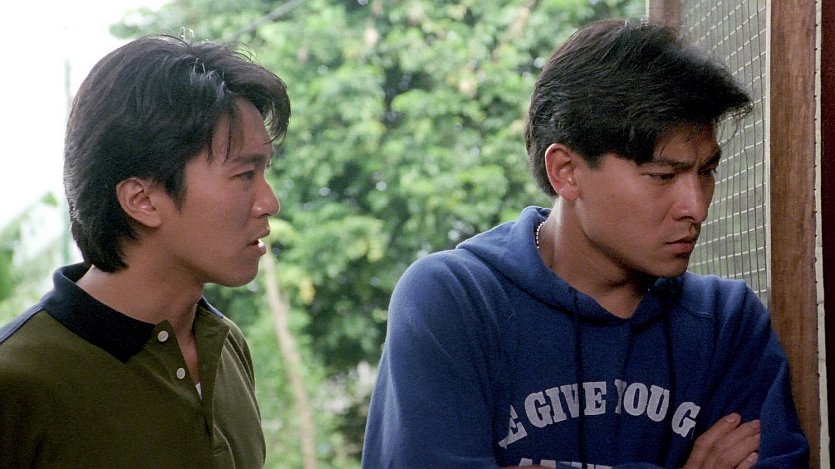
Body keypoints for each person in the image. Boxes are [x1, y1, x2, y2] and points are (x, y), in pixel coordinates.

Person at [362, 19, 809, 468]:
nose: (695, 206)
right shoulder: (455, 301)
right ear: (567, 172)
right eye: (662, 175)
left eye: (706, 172)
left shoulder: (727, 322)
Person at [0, 34, 290, 468]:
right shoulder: (18, 382)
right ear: (143, 200)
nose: (270, 202)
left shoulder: (225, 345)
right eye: (245, 175)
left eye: (265, 171)